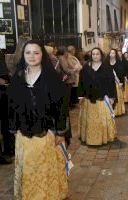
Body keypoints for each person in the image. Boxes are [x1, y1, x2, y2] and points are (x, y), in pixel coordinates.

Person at [8, 40, 69, 199]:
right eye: (28, 52)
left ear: (42, 55)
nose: (32, 56)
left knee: (44, 169)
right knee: (27, 169)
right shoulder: (18, 77)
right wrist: (14, 129)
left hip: (46, 134)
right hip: (24, 134)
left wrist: (61, 132)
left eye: (36, 52)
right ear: (23, 55)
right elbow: (12, 105)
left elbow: (61, 107)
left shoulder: (52, 78)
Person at [78, 47, 117, 145]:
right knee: (90, 122)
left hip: (102, 99)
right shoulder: (86, 67)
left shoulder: (107, 67)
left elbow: (111, 83)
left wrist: (112, 96)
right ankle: (90, 139)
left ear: (101, 55)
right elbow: (81, 82)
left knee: (101, 122)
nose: (95, 56)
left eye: (97, 54)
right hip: (88, 100)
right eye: (93, 54)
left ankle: (102, 138)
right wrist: (80, 95)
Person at [0, 52, 13, 164]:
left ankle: (9, 149)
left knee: (6, 124)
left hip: (3, 96)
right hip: (2, 95)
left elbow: (5, 77)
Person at [106, 49, 126, 116]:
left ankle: (117, 111)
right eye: (111, 53)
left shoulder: (118, 62)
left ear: (115, 55)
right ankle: (110, 111)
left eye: (113, 53)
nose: (112, 54)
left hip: (117, 83)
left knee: (117, 96)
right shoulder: (106, 62)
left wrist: (121, 82)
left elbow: (121, 73)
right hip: (109, 83)